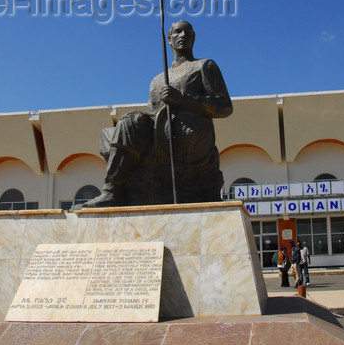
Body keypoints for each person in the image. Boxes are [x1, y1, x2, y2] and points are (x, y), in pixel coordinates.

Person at [82, 20, 233, 207]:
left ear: (194, 38)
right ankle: (112, 191)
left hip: (190, 141)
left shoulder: (204, 66)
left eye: (188, 33)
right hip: (161, 134)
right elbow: (153, 115)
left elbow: (225, 106)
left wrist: (184, 99)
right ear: (169, 39)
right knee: (126, 123)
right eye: (178, 32)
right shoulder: (158, 79)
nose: (183, 36)